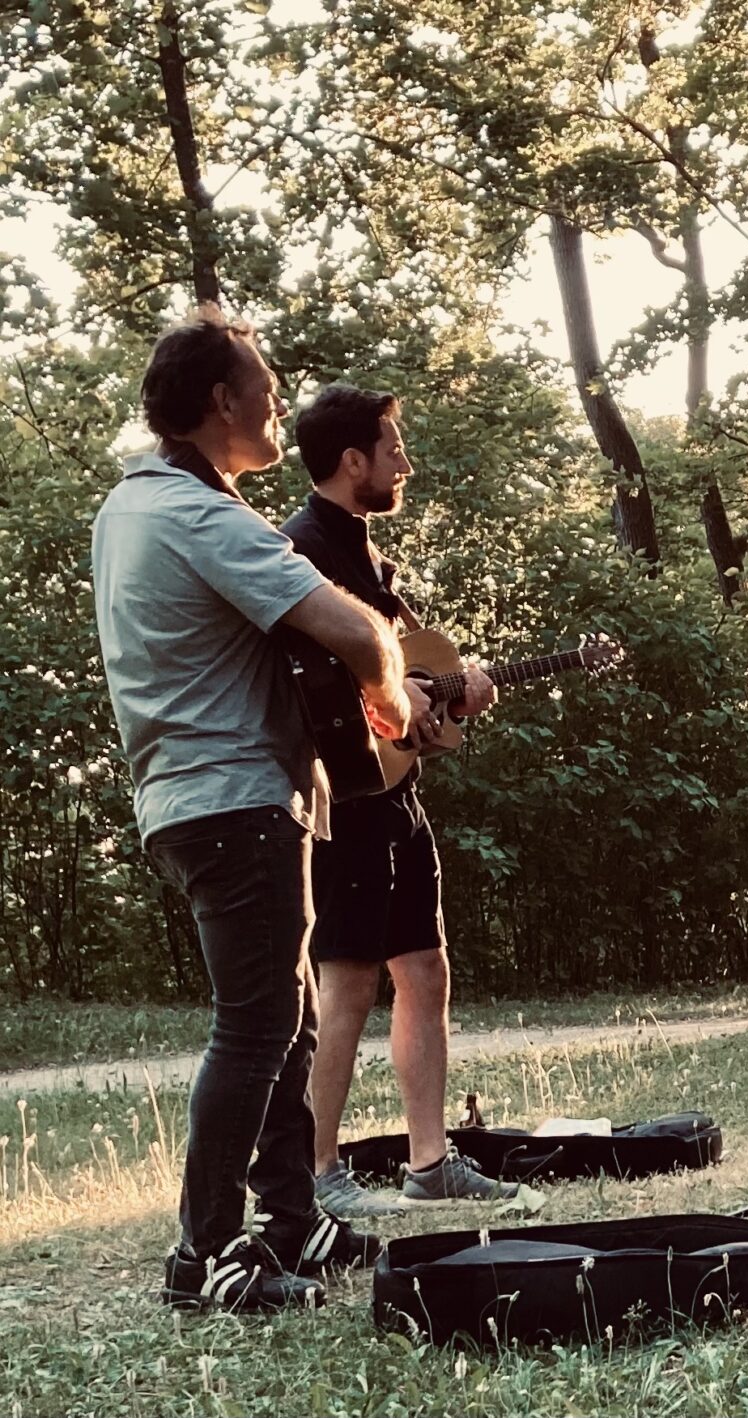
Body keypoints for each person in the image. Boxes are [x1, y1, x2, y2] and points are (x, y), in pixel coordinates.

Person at [92, 316, 424, 1310]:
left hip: (192, 798)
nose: (279, 401)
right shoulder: (198, 513)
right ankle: (199, 1259)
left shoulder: (128, 507)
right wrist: (397, 705)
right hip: (233, 797)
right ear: (220, 403)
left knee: (289, 1016)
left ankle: (293, 1222)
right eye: (265, 385)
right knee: (256, 1024)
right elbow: (349, 627)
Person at [280, 385, 520, 1215]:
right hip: (343, 800)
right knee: (345, 981)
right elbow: (306, 692)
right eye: (392, 450)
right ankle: (319, 1175)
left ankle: (429, 1165)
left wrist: (455, 695)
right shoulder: (300, 552)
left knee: (424, 968)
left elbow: (409, 684)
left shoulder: (369, 561)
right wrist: (394, 705)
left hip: (396, 796)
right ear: (353, 463)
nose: (404, 464)